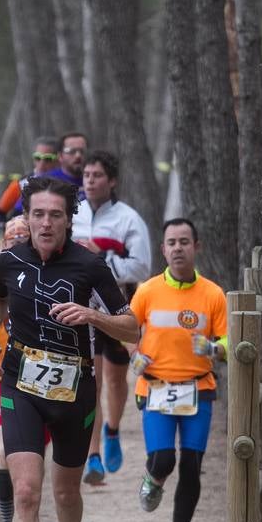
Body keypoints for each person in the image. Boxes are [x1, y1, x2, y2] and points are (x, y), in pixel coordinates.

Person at [0, 175, 138, 522]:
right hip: (20, 382)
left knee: (66, 493)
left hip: (74, 391)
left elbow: (131, 328)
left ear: (69, 220)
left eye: (55, 215)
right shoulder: (10, 258)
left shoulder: (89, 266)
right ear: (25, 217)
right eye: (38, 214)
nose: (46, 223)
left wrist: (92, 315)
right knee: (25, 490)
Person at [129, 218, 227, 522]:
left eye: (184, 242)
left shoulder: (213, 294)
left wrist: (213, 349)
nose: (178, 248)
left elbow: (227, 339)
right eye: (171, 243)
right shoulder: (147, 291)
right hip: (155, 386)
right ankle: (154, 479)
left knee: (190, 464)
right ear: (163, 249)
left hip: (198, 388)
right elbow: (126, 330)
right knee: (163, 460)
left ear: (196, 247)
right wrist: (135, 357)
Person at [72, 150, 151, 484]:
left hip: (118, 308)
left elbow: (142, 266)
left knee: (116, 381)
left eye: (97, 175)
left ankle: (113, 430)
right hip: (82, 308)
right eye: (86, 175)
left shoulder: (128, 219)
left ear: (112, 181)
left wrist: (99, 258)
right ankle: (93, 456)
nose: (90, 181)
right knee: (91, 380)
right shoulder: (70, 214)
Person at [0, 216, 50, 522]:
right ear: (2, 244)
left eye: (21, 240)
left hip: (41, 375)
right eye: (9, 240)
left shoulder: (47, 275)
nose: (15, 245)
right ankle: (8, 518)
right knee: (3, 446)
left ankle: (27, 510)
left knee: (32, 453)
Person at [0, 136, 59, 226]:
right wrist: (8, 228)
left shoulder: (66, 182)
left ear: (58, 159)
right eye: (38, 158)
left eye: (48, 159)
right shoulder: (21, 183)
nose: (41, 163)